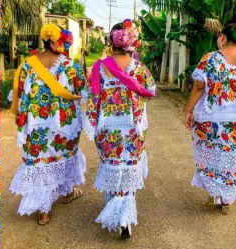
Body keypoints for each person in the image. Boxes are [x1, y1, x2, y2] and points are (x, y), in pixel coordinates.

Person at [83, 19, 156, 239]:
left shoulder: (98, 67)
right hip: (133, 129)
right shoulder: (139, 68)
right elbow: (150, 90)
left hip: (107, 130)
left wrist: (92, 122)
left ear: (111, 42)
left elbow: (91, 96)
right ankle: (125, 216)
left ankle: (115, 209)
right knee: (129, 167)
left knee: (112, 166)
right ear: (130, 44)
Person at [9, 24, 87, 225]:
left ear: (44, 40)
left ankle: (44, 211)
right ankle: (67, 192)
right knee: (63, 158)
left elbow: (17, 95)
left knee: (41, 160)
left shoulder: (26, 65)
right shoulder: (72, 66)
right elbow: (82, 91)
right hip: (64, 125)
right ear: (61, 42)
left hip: (36, 126)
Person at [184, 23, 236, 215]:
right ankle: (225, 198)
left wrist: (188, 110)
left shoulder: (210, 58)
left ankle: (215, 193)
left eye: (219, 36)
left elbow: (199, 87)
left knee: (213, 155)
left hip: (212, 118)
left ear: (223, 37)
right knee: (233, 158)